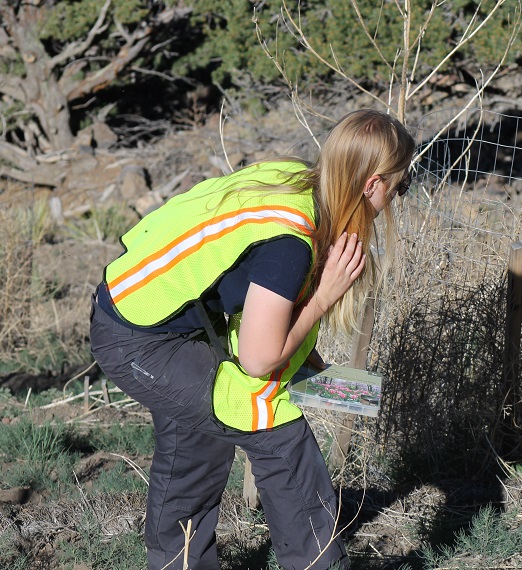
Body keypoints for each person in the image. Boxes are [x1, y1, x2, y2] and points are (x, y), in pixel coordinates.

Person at [89, 109, 416, 570]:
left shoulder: (298, 180)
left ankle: (178, 563)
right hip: (137, 337)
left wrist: (328, 377)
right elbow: (260, 360)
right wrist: (323, 299)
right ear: (371, 184)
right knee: (273, 425)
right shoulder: (291, 242)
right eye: (399, 187)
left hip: (153, 312)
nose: (397, 199)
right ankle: (315, 562)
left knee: (200, 433)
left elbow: (270, 320)